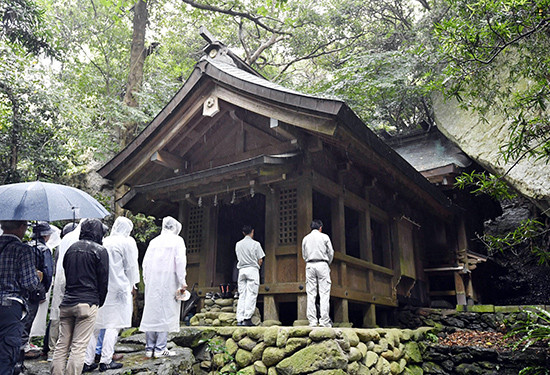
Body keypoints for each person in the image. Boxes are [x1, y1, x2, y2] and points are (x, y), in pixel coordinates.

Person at [51, 218, 109, 375]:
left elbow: (66, 273)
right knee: (78, 345)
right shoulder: (100, 251)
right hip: (87, 302)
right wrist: (98, 302)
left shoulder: (70, 249)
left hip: (67, 302)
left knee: (62, 344)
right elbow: (103, 280)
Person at [83, 217, 139, 372]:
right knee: (114, 325)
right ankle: (106, 360)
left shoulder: (104, 240)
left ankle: (87, 360)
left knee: (96, 325)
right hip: (119, 288)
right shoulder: (127, 242)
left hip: (100, 287)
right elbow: (131, 266)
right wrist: (133, 284)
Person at [139, 216, 187, 358]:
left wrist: (146, 280)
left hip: (154, 280)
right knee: (165, 312)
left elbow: (145, 263)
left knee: (152, 311)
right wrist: (182, 280)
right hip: (169, 280)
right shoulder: (177, 241)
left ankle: (149, 348)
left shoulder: (154, 242)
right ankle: (160, 348)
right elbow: (180, 262)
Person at [0, 221, 40, 375]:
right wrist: (37, 276)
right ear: (21, 227)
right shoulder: (23, 250)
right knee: (6, 353)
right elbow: (29, 284)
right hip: (10, 307)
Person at [20, 222, 55, 363]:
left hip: (21, 288)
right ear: (45, 235)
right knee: (29, 318)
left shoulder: (25, 246)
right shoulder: (44, 250)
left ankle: (22, 345)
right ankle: (23, 348)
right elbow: (48, 272)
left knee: (21, 317)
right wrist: (44, 290)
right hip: (35, 288)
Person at [47, 221, 81, 362]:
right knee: (71, 316)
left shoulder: (63, 242)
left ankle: (52, 350)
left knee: (56, 315)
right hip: (73, 281)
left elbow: (56, 263)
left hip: (60, 279)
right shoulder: (79, 242)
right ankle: (68, 350)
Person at [302, 219, 334, 328]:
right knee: (324, 293)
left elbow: (304, 254)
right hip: (322, 264)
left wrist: (309, 260)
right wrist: (327, 262)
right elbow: (331, 252)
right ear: (320, 228)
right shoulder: (325, 237)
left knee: (311, 294)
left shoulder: (305, 238)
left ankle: (312, 321)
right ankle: (324, 321)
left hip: (310, 264)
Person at [235, 225, 265, 326]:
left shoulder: (238, 244)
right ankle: (247, 318)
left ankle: (239, 318)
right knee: (251, 294)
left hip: (242, 270)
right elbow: (260, 259)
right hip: (252, 269)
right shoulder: (256, 244)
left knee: (242, 294)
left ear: (243, 233)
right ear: (252, 231)